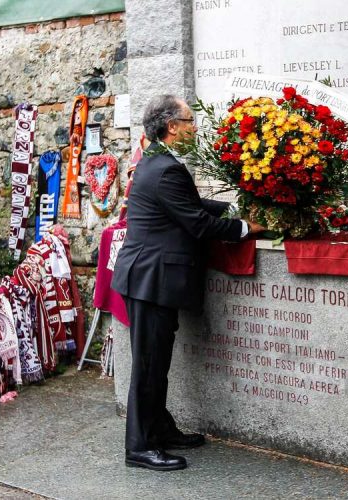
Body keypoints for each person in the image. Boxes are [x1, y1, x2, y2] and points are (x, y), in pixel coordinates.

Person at [111, 95, 265, 471]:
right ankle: (140, 447)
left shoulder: (159, 162)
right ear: (172, 126)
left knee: (156, 362)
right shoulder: (165, 168)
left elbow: (188, 204)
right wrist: (247, 227)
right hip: (151, 279)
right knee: (148, 365)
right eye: (190, 120)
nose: (195, 126)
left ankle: (160, 429)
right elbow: (196, 223)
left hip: (152, 278)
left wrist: (231, 208)